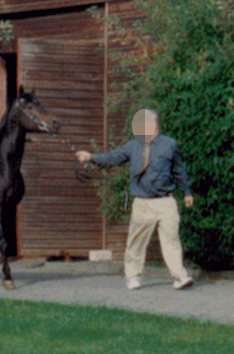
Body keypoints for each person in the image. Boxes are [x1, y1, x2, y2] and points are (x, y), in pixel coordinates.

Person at [75, 109, 195, 290]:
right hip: (142, 203)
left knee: (171, 240)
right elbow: (112, 158)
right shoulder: (133, 146)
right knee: (136, 242)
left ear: (153, 125)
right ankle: (133, 276)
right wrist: (91, 157)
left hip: (165, 202)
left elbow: (180, 171)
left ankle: (180, 277)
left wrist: (187, 192)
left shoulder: (169, 145)